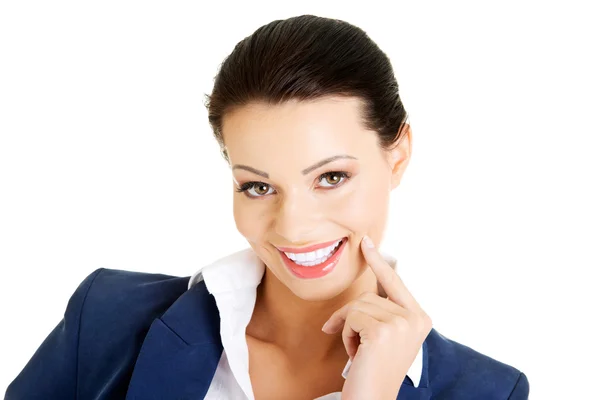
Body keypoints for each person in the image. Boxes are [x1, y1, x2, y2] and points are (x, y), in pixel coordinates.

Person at [5, 14, 529, 400]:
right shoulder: (107, 322)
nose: (294, 227)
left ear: (398, 156)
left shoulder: (485, 392)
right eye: (258, 187)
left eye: (331, 177)